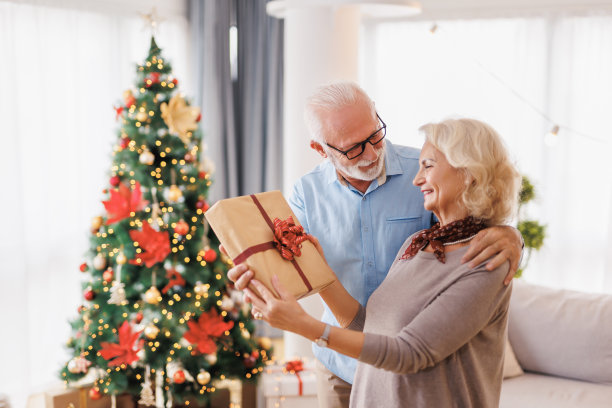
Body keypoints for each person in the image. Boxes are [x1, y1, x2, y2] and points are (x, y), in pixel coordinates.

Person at [230, 82, 523, 408]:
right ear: (320, 149)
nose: (371, 154)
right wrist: (257, 278)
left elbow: (411, 350)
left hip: (413, 374)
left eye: (375, 136)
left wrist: (513, 236)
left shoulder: (434, 186)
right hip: (343, 364)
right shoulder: (412, 243)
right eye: (353, 148)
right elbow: (299, 272)